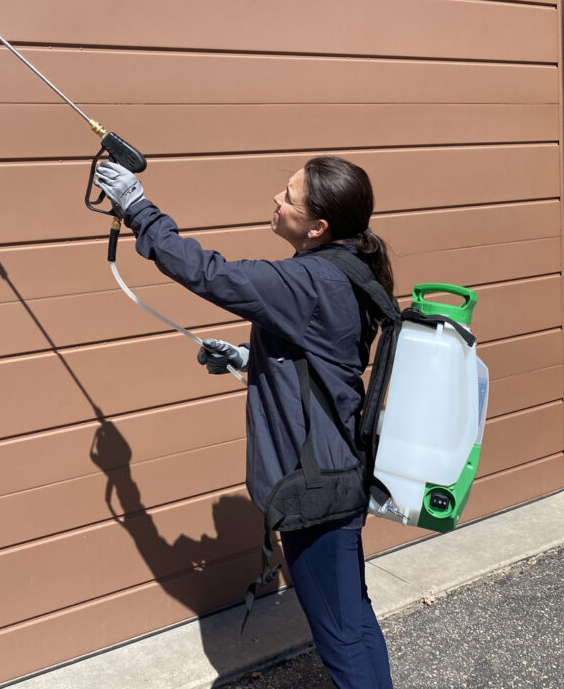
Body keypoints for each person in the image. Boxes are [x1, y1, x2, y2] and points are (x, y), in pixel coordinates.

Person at [94, 155, 395, 689]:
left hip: (316, 489)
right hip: (335, 473)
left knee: (344, 639)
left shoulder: (309, 280)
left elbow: (209, 273)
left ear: (318, 226)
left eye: (288, 197)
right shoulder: (345, 267)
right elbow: (322, 361)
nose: (277, 201)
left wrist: (138, 208)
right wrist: (246, 358)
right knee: (353, 620)